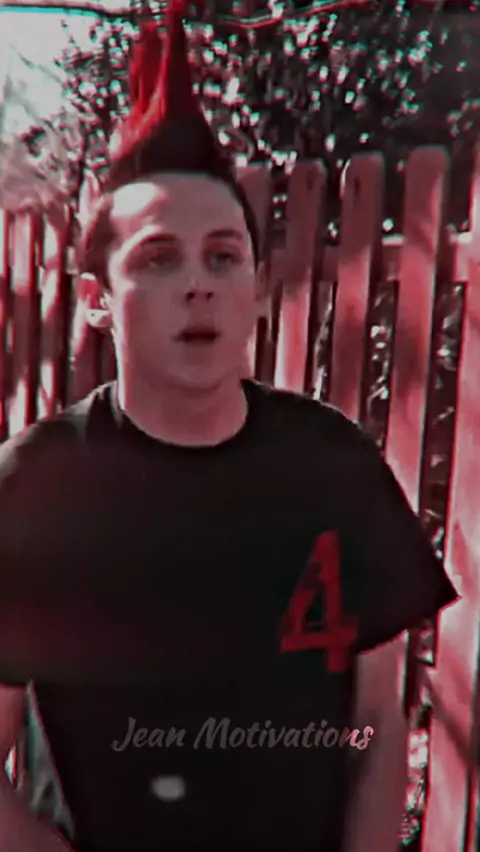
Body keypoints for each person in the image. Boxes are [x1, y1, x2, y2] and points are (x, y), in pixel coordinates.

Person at [0, 2, 458, 851]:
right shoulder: (34, 487)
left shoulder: (335, 467)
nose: (199, 284)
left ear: (254, 286)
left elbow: (379, 725)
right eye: (158, 258)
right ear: (97, 300)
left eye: (223, 255)